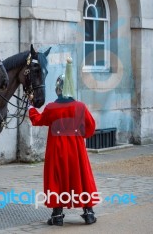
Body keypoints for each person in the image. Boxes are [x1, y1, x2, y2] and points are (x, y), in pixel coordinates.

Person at [28, 57, 98, 226]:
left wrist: (30, 108)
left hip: (56, 148)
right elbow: (91, 127)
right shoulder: (80, 107)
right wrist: (80, 134)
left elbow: (39, 120)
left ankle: (57, 215)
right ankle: (88, 212)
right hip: (76, 147)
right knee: (81, 175)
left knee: (56, 178)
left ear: (58, 89)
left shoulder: (51, 107)